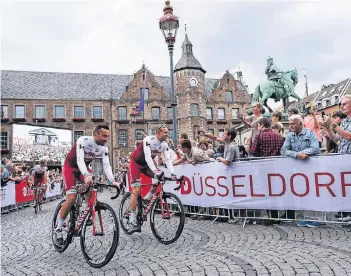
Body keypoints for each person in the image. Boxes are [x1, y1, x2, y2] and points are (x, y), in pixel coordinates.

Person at [54, 125, 119, 245]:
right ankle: (58, 229)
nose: (106, 139)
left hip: (83, 169)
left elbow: (106, 165)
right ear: (95, 135)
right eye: (104, 136)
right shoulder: (83, 141)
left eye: (108, 136)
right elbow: (79, 160)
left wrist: (112, 180)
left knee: (91, 187)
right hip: (71, 168)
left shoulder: (104, 148)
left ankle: (87, 212)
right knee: (71, 198)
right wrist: (86, 175)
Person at [128, 124, 178, 232]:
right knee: (136, 190)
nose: (167, 134)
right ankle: (131, 217)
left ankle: (146, 199)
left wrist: (173, 173)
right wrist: (155, 171)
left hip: (146, 165)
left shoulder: (164, 145)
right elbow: (147, 156)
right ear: (158, 133)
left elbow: (168, 160)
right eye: (165, 132)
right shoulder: (148, 140)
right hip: (136, 163)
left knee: (158, 181)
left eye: (167, 132)